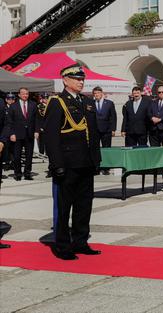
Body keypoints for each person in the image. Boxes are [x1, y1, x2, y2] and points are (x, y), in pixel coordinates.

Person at [42, 64, 101, 260]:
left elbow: (93, 133)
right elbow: (51, 137)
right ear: (65, 80)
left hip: (86, 162)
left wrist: (96, 159)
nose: (80, 81)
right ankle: (62, 246)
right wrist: (56, 164)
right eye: (76, 78)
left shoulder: (87, 101)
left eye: (82, 79)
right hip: (67, 163)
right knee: (64, 207)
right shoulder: (57, 102)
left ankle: (80, 241)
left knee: (84, 206)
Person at [4, 87, 39, 181]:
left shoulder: (33, 104)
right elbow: (9, 122)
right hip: (17, 134)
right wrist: (11, 133)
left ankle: (27, 173)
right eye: (23, 93)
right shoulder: (13, 106)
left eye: (27, 93)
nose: (25, 95)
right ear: (19, 95)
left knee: (29, 155)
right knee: (17, 156)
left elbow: (36, 119)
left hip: (30, 134)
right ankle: (17, 173)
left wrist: (36, 131)